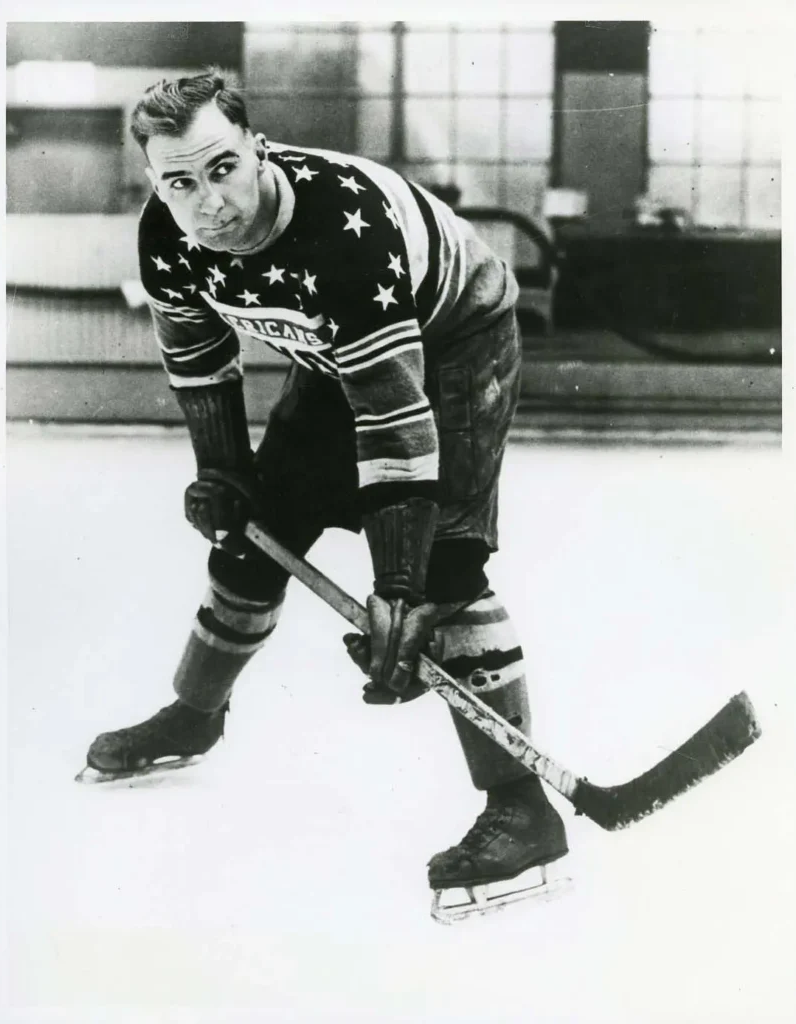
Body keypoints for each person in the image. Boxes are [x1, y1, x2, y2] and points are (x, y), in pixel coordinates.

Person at [83, 70, 568, 911]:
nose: (211, 204)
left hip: (453, 341)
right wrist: (224, 471)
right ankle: (193, 714)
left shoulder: (340, 234)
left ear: (257, 149)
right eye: (181, 182)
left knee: (447, 574)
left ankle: (523, 809)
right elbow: (199, 361)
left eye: (224, 168)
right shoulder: (167, 235)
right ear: (158, 184)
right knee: (256, 533)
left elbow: (394, 421)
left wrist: (402, 584)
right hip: (338, 358)